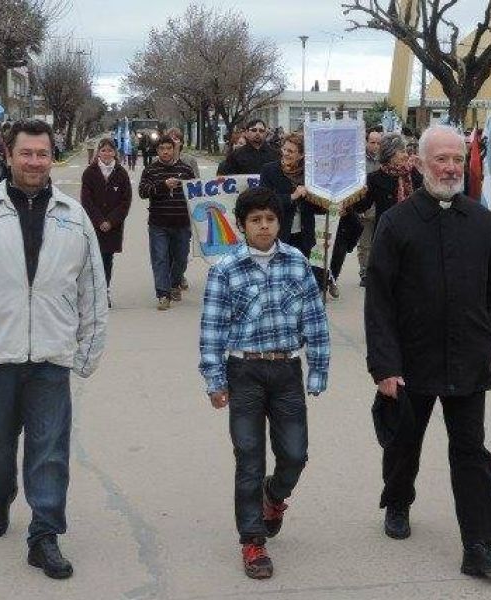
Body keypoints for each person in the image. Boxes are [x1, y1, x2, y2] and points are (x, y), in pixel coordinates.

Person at [0, 119, 108, 580]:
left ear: (52, 158)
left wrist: (88, 350)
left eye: (42, 154)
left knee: (49, 450)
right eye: (25, 153)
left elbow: (92, 287)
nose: (34, 162)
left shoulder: (72, 215)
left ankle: (44, 535)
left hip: (51, 355)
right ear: (9, 155)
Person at [365, 125, 491, 576]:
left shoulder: (483, 221)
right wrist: (385, 367)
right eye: (440, 160)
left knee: (471, 450)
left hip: (468, 359)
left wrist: (489, 332)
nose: (449, 168)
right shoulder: (397, 223)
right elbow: (380, 301)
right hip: (412, 362)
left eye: (455, 159)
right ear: (420, 163)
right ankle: (398, 500)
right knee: (405, 443)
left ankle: (479, 544)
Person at [199, 186, 330, 579]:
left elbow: (314, 320)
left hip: (286, 371)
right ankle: (252, 540)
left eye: (270, 219)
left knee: (295, 454)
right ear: (241, 226)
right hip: (245, 373)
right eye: (255, 220)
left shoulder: (297, 263)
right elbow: (212, 328)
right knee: (249, 458)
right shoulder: (225, 269)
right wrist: (214, 379)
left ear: (280, 223)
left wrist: (318, 368)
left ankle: (275, 497)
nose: (263, 226)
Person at [259, 133, 326, 283]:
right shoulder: (269, 170)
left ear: (301, 155)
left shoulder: (309, 173)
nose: (286, 154)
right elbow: (264, 200)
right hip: (279, 231)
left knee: (299, 274)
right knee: (278, 274)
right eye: (284, 149)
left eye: (291, 151)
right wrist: (292, 197)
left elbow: (318, 207)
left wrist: (323, 200)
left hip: (304, 232)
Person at [138, 137, 197, 310]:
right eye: (162, 148)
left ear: (175, 149)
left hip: (181, 223)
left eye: (169, 148)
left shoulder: (185, 170)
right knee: (160, 259)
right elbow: (143, 192)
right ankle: (163, 294)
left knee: (181, 259)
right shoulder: (150, 170)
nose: (165, 152)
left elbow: (194, 194)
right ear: (157, 151)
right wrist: (163, 185)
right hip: (159, 223)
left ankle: (175, 283)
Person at [81, 138, 133, 306]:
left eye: (110, 151)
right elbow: (86, 200)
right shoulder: (90, 172)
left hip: (112, 227)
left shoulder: (121, 173)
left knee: (107, 259)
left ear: (115, 153)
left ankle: (105, 292)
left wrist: (110, 221)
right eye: (103, 150)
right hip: (94, 226)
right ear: (98, 152)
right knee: (92, 260)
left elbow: (126, 201)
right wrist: (99, 221)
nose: (107, 154)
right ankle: (92, 292)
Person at [355, 129, 383, 287]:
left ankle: (378, 271)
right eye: (372, 142)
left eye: (378, 142)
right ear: (366, 142)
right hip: (365, 207)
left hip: (381, 207)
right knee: (365, 243)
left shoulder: (384, 160)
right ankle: (365, 272)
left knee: (379, 241)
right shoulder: (358, 161)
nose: (375, 146)